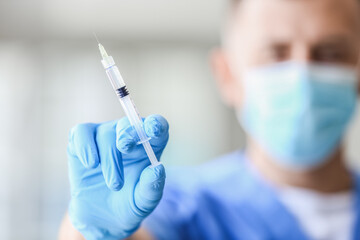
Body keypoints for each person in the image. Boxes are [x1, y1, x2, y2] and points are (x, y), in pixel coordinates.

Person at [58, 0, 360, 239]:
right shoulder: (178, 205)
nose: (301, 76)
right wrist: (100, 234)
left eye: (330, 53)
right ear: (226, 75)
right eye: (275, 54)